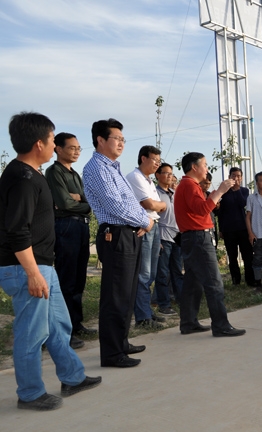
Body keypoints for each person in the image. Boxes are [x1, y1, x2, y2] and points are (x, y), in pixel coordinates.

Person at [0, 112, 101, 411]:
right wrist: (32, 273)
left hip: (43, 264)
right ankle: (30, 393)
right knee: (32, 333)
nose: (54, 144)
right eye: (52, 139)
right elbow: (17, 230)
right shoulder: (22, 179)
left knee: (58, 325)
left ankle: (73, 377)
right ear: (39, 143)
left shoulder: (32, 174)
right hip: (26, 267)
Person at [84, 118, 153, 368]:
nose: (122, 143)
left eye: (123, 139)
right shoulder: (97, 168)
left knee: (127, 293)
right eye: (117, 138)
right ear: (101, 140)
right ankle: (112, 354)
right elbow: (115, 206)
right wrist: (145, 220)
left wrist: (142, 221)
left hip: (128, 232)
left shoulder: (113, 168)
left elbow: (130, 202)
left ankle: (121, 342)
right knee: (116, 295)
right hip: (115, 235)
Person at [174, 152, 245, 337]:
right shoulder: (189, 185)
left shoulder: (188, 185)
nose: (207, 169)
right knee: (214, 282)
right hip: (198, 238)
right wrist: (220, 191)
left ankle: (188, 322)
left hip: (192, 238)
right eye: (204, 165)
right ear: (194, 167)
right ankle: (221, 325)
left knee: (193, 282)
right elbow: (202, 209)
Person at [44, 132, 94, 350]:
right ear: (58, 149)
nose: (76, 152)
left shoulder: (74, 174)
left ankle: (76, 322)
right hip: (66, 226)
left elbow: (87, 200)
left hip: (81, 226)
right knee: (67, 278)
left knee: (79, 278)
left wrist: (81, 199)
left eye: (78, 148)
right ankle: (64, 330)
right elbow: (64, 204)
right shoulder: (54, 172)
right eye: (72, 148)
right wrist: (83, 202)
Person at [125, 145, 167, 329]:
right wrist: (159, 205)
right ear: (143, 158)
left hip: (154, 225)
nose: (157, 164)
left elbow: (160, 206)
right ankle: (142, 317)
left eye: (159, 160)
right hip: (143, 227)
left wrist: (159, 205)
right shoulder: (135, 177)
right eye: (154, 160)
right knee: (143, 274)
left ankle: (147, 310)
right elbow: (149, 204)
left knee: (151, 274)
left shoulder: (149, 181)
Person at [153, 163, 183, 314]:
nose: (169, 176)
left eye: (171, 173)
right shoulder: (155, 193)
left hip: (177, 236)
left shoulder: (174, 193)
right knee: (163, 273)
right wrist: (156, 239)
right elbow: (153, 217)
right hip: (163, 236)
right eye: (166, 173)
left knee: (177, 271)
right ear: (157, 175)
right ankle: (164, 304)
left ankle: (182, 301)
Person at [218, 167, 254, 286]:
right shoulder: (223, 192)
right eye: (233, 175)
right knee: (232, 256)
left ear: (242, 178)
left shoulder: (244, 191)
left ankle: (250, 279)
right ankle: (236, 280)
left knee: (247, 256)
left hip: (243, 228)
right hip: (229, 229)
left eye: (238, 176)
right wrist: (221, 229)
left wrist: (237, 189)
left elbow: (242, 204)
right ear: (229, 177)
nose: (236, 178)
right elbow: (220, 212)